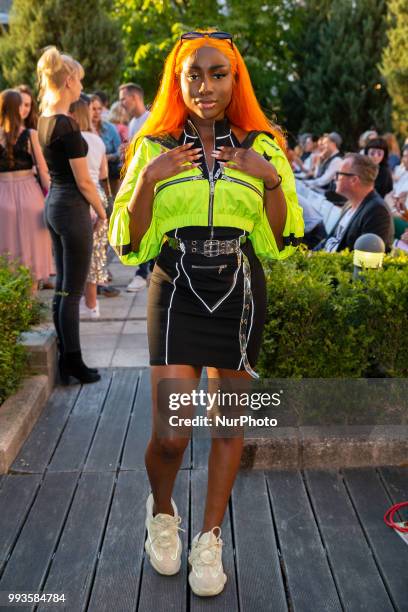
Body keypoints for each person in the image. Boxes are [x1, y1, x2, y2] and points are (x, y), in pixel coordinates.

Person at [109, 30, 304, 597]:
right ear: (179, 81)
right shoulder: (152, 145)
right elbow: (130, 242)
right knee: (171, 436)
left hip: (240, 290)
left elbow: (280, 237)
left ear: (234, 79)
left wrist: (267, 178)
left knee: (226, 427)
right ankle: (163, 514)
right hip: (175, 287)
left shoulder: (264, 146)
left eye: (218, 74)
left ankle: (210, 538)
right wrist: (150, 178)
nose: (206, 85)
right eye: (194, 74)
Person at [37, 46, 107, 384]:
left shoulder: (45, 118)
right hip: (71, 208)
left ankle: (68, 359)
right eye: (79, 81)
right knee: (72, 291)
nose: (82, 87)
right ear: (68, 81)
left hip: (55, 205)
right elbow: (84, 180)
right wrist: (102, 210)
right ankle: (73, 361)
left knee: (63, 289)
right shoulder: (66, 124)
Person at [0, 89, 53, 292]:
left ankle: (11, 303)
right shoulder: (31, 135)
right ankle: (29, 306)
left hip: (2, 196)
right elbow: (43, 171)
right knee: (32, 253)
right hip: (30, 196)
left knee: (6, 251)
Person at [69, 96, 112, 320]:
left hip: (81, 196)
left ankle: (75, 303)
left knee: (75, 254)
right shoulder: (97, 139)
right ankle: (93, 305)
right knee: (95, 254)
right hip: (99, 194)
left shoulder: (71, 140)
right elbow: (103, 174)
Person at [315, 153, 393, 252]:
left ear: (354, 180)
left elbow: (363, 261)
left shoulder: (377, 212)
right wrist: (309, 255)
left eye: (338, 174)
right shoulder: (350, 204)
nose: (335, 179)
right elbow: (329, 240)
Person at [118, 83, 152, 292]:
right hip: (137, 181)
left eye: (124, 98)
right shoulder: (132, 122)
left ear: (135, 97)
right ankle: (142, 270)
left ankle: (143, 272)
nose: (121, 103)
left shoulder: (150, 119)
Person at [90, 94, 121, 195]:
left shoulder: (110, 128)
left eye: (99, 109)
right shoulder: (82, 129)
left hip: (110, 177)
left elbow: (120, 151)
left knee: (110, 206)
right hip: (91, 177)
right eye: (93, 109)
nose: (97, 112)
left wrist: (108, 157)